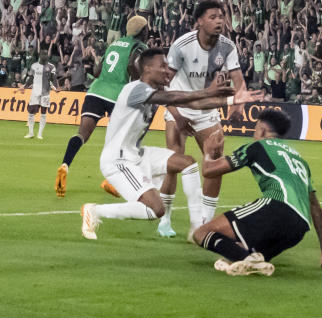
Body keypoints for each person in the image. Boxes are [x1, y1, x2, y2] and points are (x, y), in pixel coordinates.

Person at [80, 49, 258, 240]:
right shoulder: (135, 89)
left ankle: (197, 228)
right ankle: (95, 211)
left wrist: (232, 100)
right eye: (162, 66)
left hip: (138, 154)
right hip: (118, 160)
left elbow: (193, 105)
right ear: (147, 69)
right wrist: (208, 91)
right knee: (156, 210)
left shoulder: (155, 91)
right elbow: (174, 98)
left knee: (187, 163)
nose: (167, 70)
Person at [191, 110, 322, 276]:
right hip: (299, 227)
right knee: (244, 248)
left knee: (201, 233)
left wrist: (209, 152)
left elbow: (209, 171)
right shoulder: (299, 159)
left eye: (256, 129)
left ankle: (245, 259)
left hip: (277, 206)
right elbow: (315, 208)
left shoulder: (257, 146)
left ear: (263, 131)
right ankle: (250, 259)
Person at [165, 0, 249, 239]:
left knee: (215, 162)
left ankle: (205, 222)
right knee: (174, 163)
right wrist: (177, 115)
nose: (219, 21)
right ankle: (166, 218)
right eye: (212, 17)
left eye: (221, 16)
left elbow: (237, 77)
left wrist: (240, 102)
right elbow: (164, 83)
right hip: (179, 105)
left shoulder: (227, 46)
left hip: (207, 110)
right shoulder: (182, 45)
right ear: (199, 21)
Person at [56, 16, 149, 199]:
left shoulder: (114, 44)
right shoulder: (140, 47)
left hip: (96, 91)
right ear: (142, 31)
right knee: (126, 141)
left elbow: (97, 71)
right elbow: (131, 65)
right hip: (117, 95)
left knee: (82, 134)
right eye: (146, 29)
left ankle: (65, 165)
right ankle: (112, 182)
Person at [19, 51, 59, 140]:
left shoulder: (51, 67)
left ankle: (40, 134)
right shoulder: (34, 66)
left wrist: (56, 88)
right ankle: (30, 133)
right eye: (42, 55)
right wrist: (24, 86)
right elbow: (31, 78)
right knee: (31, 113)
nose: (44, 56)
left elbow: (53, 78)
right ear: (40, 56)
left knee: (43, 113)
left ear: (47, 56)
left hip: (45, 93)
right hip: (35, 92)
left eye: (45, 55)